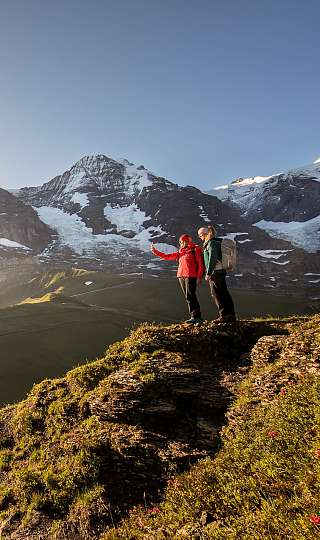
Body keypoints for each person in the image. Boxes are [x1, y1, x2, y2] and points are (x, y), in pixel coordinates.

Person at [150, 234, 204, 324]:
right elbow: (166, 256)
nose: (181, 243)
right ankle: (194, 316)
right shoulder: (180, 252)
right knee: (188, 296)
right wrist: (155, 251)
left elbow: (200, 264)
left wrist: (199, 277)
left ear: (187, 241)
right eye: (180, 242)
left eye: (182, 241)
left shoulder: (195, 249)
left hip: (191, 275)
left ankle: (196, 316)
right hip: (181, 276)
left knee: (191, 296)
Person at [198, 226, 236, 322]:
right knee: (223, 292)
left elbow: (212, 258)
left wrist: (209, 272)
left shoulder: (211, 243)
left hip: (216, 272)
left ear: (205, 234)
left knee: (216, 293)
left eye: (200, 235)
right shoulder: (215, 242)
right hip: (220, 271)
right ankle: (230, 315)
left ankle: (223, 315)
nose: (200, 237)